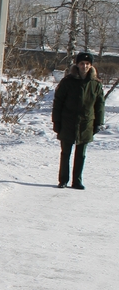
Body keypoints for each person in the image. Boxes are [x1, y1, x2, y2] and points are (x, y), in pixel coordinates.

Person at [52, 51, 105, 190]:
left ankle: (77, 181)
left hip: (86, 123)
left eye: (87, 64)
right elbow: (58, 102)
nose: (85, 66)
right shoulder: (68, 81)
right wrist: (56, 121)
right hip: (67, 121)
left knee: (81, 154)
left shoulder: (95, 84)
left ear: (91, 66)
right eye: (82, 63)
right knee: (65, 152)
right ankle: (63, 180)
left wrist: (99, 122)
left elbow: (99, 104)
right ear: (77, 64)